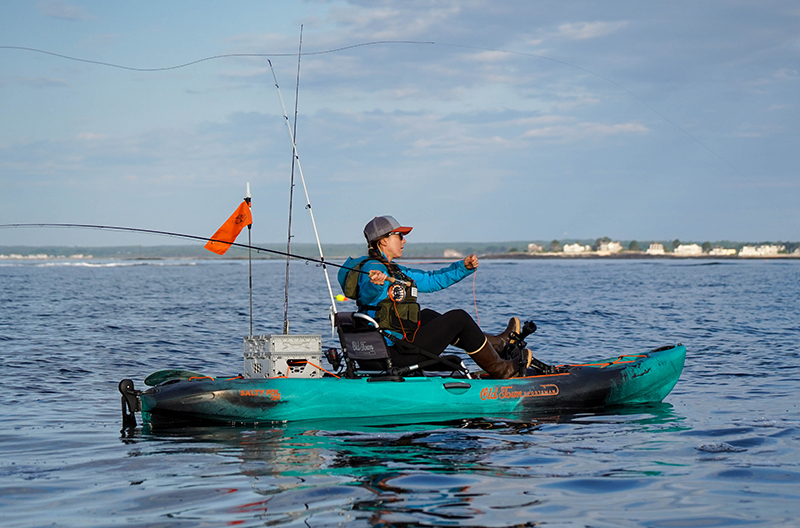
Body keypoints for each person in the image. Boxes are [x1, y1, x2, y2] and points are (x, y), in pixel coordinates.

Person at [337, 215, 532, 379]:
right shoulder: (374, 269)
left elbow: (431, 281)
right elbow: (368, 293)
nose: (404, 240)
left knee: (427, 316)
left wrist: (462, 268)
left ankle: (498, 344)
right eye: (400, 236)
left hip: (389, 347)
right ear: (383, 241)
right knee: (459, 318)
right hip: (395, 353)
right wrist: (374, 283)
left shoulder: (394, 270)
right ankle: (502, 369)